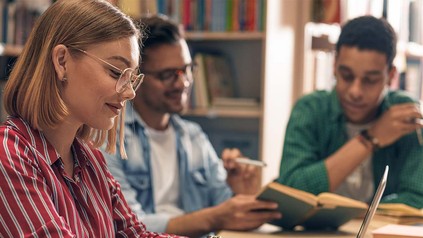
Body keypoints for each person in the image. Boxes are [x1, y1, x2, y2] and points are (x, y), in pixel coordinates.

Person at [0, 1, 183, 237]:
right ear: (62, 61)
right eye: (117, 72)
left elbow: (136, 234)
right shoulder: (8, 156)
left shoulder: (90, 159)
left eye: (132, 78)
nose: (130, 92)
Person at [103, 14, 282, 238]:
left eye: (187, 69)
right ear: (136, 78)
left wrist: (240, 190)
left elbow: (227, 211)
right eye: (168, 75)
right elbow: (128, 226)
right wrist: (214, 218)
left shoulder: (193, 136)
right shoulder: (110, 138)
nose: (183, 83)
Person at [277, 15, 423, 208]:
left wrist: (358, 216)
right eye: (346, 76)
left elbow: (417, 199)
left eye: (370, 80)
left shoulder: (404, 114)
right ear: (334, 66)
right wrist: (370, 138)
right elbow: (290, 193)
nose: (355, 91)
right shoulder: (310, 109)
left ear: (391, 76)